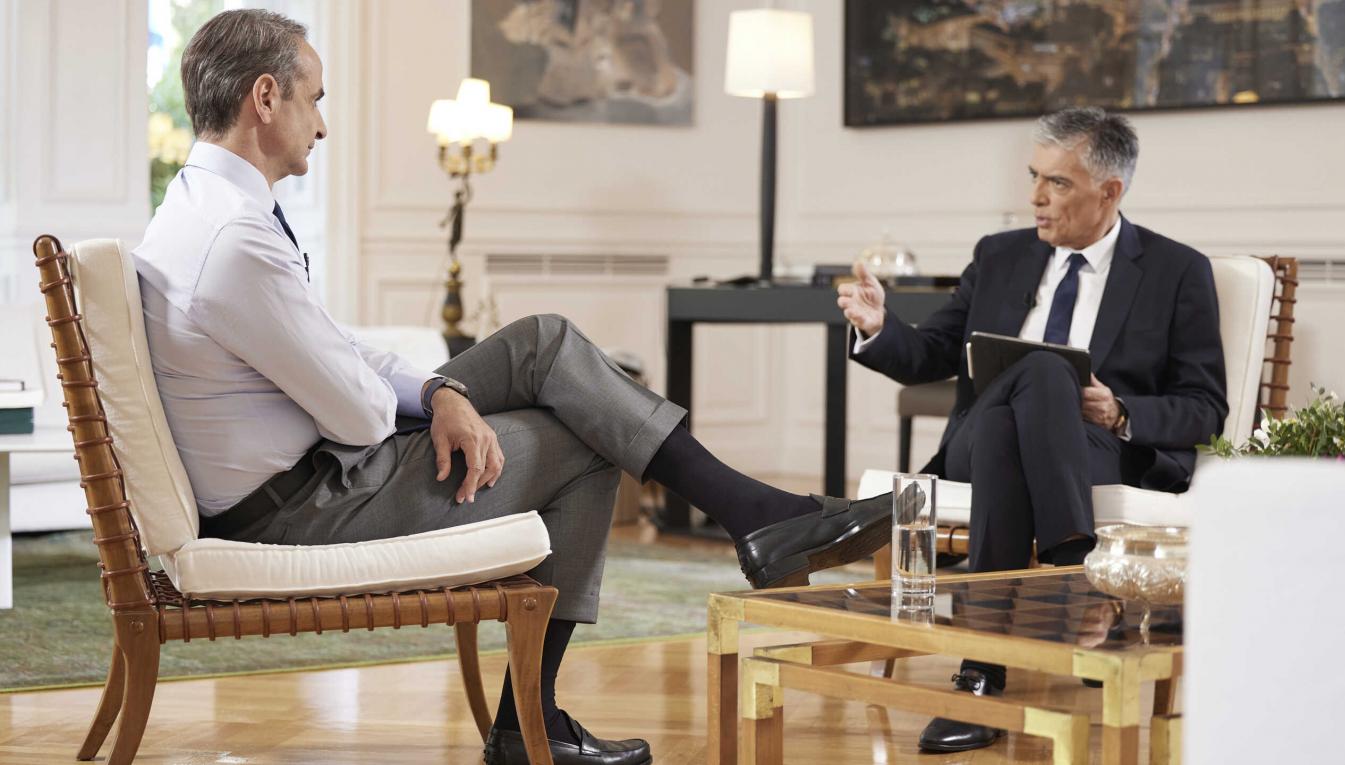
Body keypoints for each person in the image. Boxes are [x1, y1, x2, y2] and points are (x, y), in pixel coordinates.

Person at [135, 10, 891, 765]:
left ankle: (751, 519)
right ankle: (536, 717)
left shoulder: (199, 205)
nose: (323, 125)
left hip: (307, 476)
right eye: (316, 99)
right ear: (266, 98)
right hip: (308, 504)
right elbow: (359, 416)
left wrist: (440, 391)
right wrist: (438, 401)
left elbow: (339, 349)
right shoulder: (236, 242)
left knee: (543, 343)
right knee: (587, 440)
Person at [838, 106, 1227, 754]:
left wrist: (1120, 410)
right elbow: (932, 351)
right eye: (1033, 176)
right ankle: (1077, 575)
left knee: (1008, 429)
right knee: (1037, 376)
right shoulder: (999, 255)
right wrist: (880, 327)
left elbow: (1204, 407)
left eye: (1057, 182)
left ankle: (981, 677)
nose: (1036, 197)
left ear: (1110, 191)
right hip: (971, 448)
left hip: (1097, 445)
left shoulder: (1175, 270)